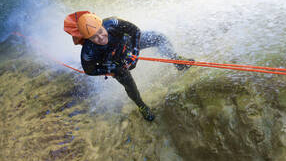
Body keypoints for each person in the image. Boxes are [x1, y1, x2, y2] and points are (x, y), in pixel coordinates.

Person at [64, 11, 193, 122]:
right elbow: (89, 70)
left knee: (158, 37)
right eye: (94, 37)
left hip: (128, 45)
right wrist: (111, 69)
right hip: (115, 63)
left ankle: (177, 61)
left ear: (102, 25)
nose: (101, 38)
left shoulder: (113, 23)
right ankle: (141, 105)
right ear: (87, 39)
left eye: (100, 32)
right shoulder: (88, 52)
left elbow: (135, 30)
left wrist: (135, 52)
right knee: (129, 85)